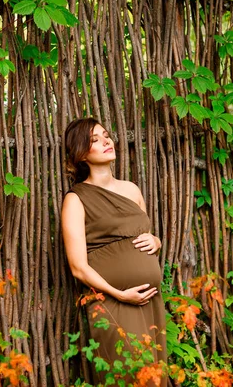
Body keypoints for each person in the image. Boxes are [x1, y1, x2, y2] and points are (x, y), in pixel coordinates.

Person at [61, 117, 167, 386]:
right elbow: (78, 267)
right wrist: (120, 294)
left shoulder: (131, 189)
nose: (106, 141)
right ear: (81, 153)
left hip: (149, 299)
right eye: (95, 140)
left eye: (106, 135)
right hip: (112, 301)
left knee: (154, 376)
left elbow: (144, 232)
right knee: (126, 375)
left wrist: (156, 241)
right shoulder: (76, 199)